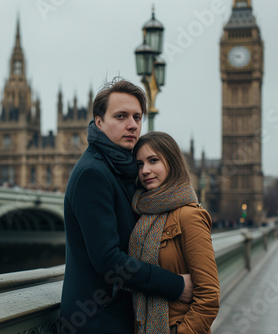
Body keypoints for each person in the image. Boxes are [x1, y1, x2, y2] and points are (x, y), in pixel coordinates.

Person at [60, 79, 192, 334]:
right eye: (121, 116)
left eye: (137, 117)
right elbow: (109, 261)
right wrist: (175, 285)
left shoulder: (124, 168)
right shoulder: (93, 174)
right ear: (99, 121)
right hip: (98, 321)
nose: (132, 124)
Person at [129, 132, 220, 333]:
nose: (145, 170)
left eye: (153, 161)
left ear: (172, 163)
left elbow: (209, 296)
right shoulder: (141, 214)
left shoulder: (189, 216)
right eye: (139, 164)